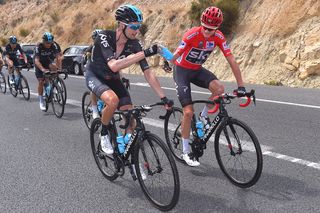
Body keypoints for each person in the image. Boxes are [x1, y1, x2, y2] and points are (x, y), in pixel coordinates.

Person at [85, 4, 173, 155]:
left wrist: (163, 97)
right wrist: (146, 52)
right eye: (133, 26)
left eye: (139, 26)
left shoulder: (134, 44)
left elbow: (148, 73)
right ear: (121, 24)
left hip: (112, 78)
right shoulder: (104, 37)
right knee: (112, 101)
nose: (137, 30)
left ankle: (130, 157)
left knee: (130, 115)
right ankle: (104, 133)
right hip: (95, 76)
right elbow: (113, 66)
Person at [165, 6, 246, 166]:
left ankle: (203, 116)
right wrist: (169, 62)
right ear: (201, 23)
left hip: (197, 70)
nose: (208, 32)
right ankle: (186, 151)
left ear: (217, 28)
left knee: (220, 89)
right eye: (206, 28)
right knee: (188, 112)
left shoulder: (219, 37)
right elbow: (177, 53)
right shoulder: (192, 34)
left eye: (212, 30)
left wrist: (241, 86)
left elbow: (231, 60)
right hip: (182, 71)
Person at [34, 32, 61, 111]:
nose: (49, 45)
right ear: (43, 41)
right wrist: (42, 69)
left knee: (53, 67)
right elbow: (36, 60)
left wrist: (59, 68)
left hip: (48, 61)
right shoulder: (38, 46)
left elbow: (58, 57)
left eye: (50, 43)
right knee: (41, 82)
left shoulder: (54, 45)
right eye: (47, 43)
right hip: (39, 63)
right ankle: (41, 100)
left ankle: (54, 83)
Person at [84, 29, 102, 119]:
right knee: (94, 89)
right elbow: (90, 63)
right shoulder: (91, 48)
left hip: (102, 71)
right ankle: (94, 109)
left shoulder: (107, 47)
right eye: (97, 39)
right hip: (91, 70)